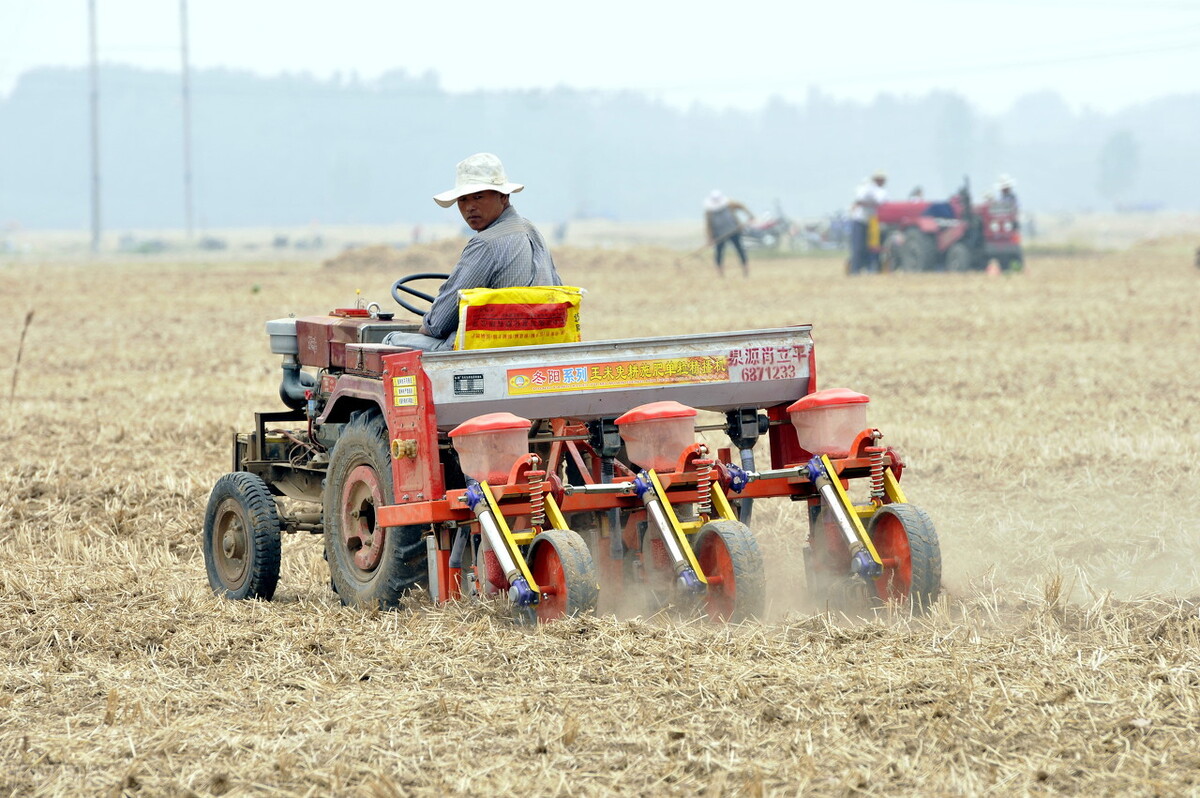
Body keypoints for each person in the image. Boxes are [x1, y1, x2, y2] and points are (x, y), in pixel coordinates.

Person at [383, 153, 562, 351]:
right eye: (463, 200)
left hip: (486, 349)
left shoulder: (486, 243)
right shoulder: (532, 231)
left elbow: (438, 324)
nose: (469, 207)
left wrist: (428, 324)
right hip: (537, 342)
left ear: (503, 196)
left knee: (389, 340)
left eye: (478, 197)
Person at [703, 190, 753, 277]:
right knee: (719, 253)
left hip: (733, 231)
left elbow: (741, 206)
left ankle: (746, 270)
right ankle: (720, 273)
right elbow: (709, 226)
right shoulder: (709, 212)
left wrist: (750, 215)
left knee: (740, 250)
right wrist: (710, 238)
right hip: (719, 235)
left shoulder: (729, 205)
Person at [849, 171, 887, 274]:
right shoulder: (867, 187)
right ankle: (855, 270)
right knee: (858, 247)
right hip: (860, 220)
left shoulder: (880, 191)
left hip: (872, 221)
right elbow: (860, 199)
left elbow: (879, 202)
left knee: (872, 247)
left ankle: (870, 269)